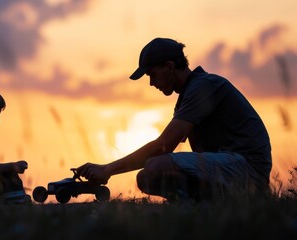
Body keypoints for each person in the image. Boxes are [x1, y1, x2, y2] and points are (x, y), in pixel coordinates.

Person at [76, 37, 272, 201]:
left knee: (155, 167)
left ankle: (205, 204)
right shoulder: (189, 94)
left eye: (152, 74)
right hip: (232, 166)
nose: (151, 83)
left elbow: (163, 146)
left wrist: (107, 169)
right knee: (146, 177)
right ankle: (207, 204)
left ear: (169, 66)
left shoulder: (203, 87)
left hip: (248, 167)